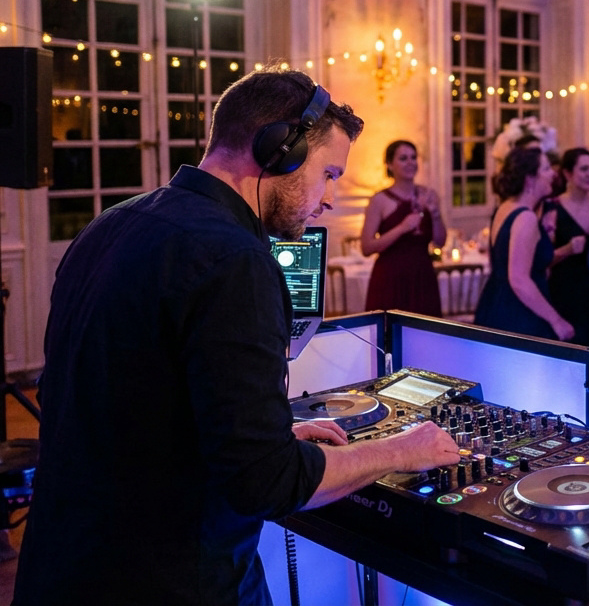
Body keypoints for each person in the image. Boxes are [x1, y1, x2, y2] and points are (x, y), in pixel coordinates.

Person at [13, 70, 459, 604]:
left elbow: (118, 404)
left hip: (61, 567)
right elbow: (267, 484)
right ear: (279, 149)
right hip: (174, 580)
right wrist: (401, 450)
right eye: (328, 174)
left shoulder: (109, 224)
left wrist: (262, 435)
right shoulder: (236, 260)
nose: (329, 199)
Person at [473, 146, 574, 341]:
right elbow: (519, 280)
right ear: (529, 179)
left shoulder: (505, 207)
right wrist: (557, 321)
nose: (553, 173)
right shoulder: (525, 217)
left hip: (496, 301)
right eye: (546, 169)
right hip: (519, 313)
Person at [361, 139, 445, 315]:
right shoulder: (379, 200)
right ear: (390, 164)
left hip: (422, 274)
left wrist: (435, 214)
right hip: (390, 277)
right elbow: (367, 247)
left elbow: (440, 242)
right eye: (403, 158)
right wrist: (402, 228)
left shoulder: (429, 195)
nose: (410, 162)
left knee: (425, 327)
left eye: (413, 157)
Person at [545, 147, 589, 345]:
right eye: (584, 169)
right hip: (565, 294)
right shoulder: (552, 209)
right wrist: (568, 249)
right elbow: (542, 260)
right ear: (567, 173)